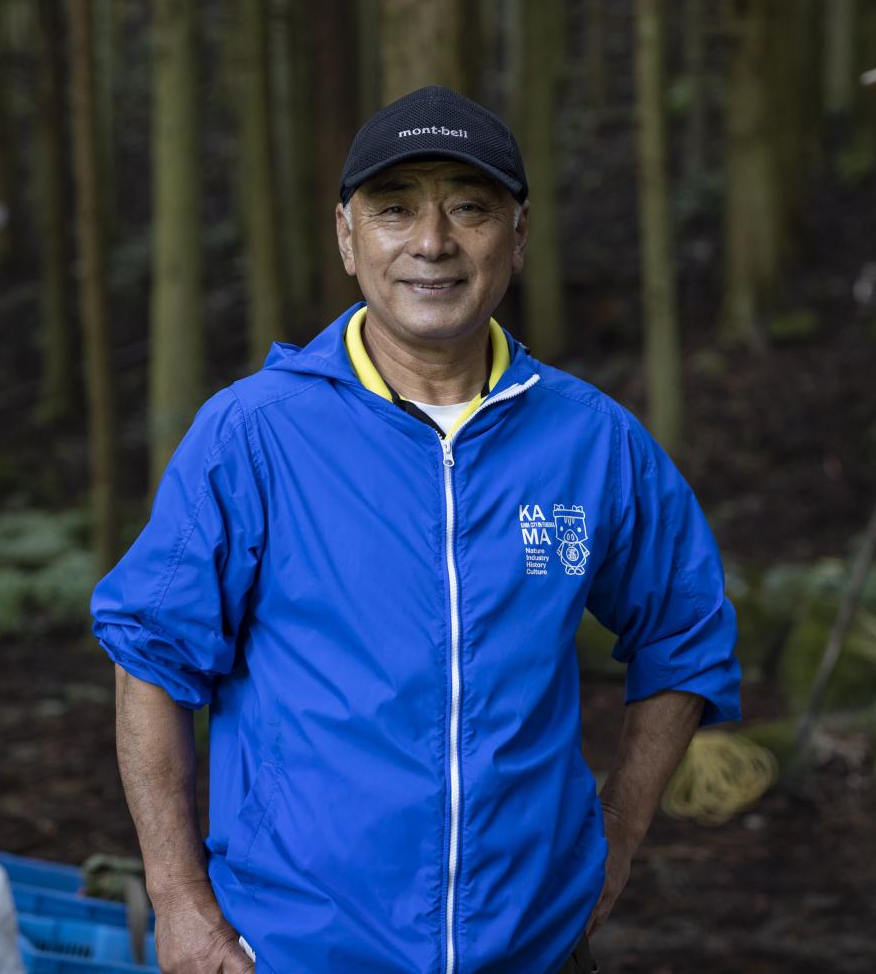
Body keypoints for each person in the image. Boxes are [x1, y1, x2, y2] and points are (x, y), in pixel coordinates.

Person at [91, 85, 740, 974]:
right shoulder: (254, 435)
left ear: (516, 237)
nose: (432, 241)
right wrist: (178, 901)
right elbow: (150, 655)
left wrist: (617, 835)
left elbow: (688, 631)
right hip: (295, 950)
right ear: (348, 236)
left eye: (469, 209)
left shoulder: (593, 442)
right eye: (395, 209)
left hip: (536, 951)